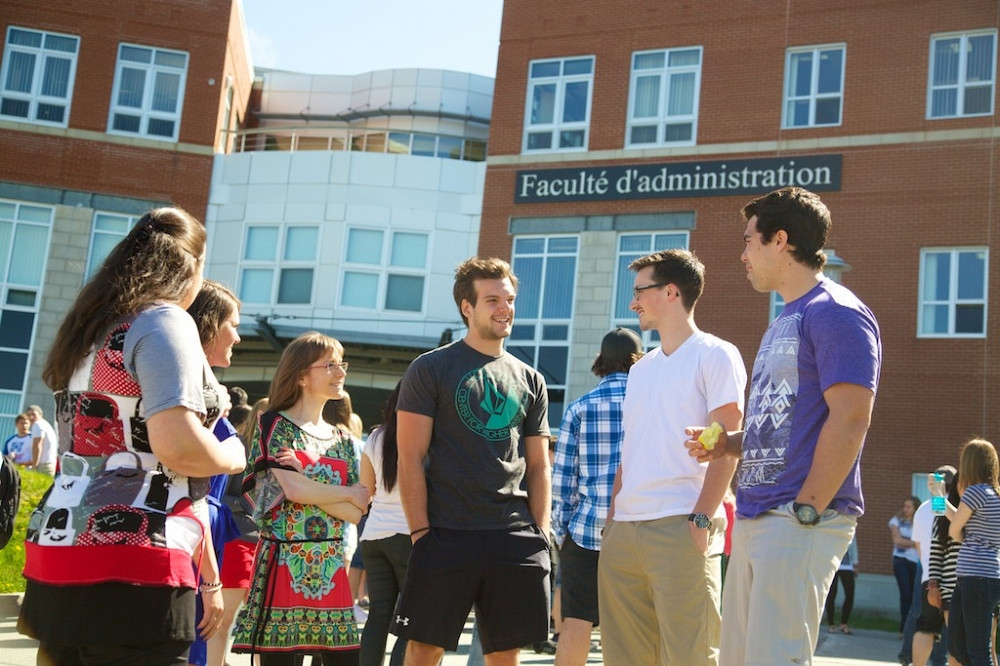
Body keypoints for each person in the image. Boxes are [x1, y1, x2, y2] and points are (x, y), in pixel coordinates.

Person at [17, 207, 247, 664]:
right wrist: (232, 453)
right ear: (192, 265)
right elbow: (178, 447)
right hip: (137, 553)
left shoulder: (89, 328)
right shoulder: (163, 320)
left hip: (59, 545)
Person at [686, 186, 882, 666]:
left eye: (749, 241)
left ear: (780, 240)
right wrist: (728, 444)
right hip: (757, 515)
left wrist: (807, 509)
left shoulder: (835, 311)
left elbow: (852, 417)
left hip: (797, 519)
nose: (743, 255)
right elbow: (785, 425)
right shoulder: (783, 319)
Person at [391, 257, 551, 665]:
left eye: (509, 299)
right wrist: (421, 533)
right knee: (424, 650)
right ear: (467, 307)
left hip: (513, 535)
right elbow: (409, 457)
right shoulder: (430, 368)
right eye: (493, 300)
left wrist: (541, 534)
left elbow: (538, 466)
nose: (505, 308)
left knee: (505, 654)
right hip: (445, 531)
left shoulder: (531, 379)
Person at [598, 250, 747, 665]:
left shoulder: (715, 354)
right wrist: (612, 522)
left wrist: (701, 519)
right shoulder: (640, 369)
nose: (633, 303)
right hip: (625, 533)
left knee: (690, 658)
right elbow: (630, 451)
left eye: (639, 292)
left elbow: (726, 445)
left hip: (681, 526)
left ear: (670, 292)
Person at [231, 331, 370, 665]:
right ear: (301, 376)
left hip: (331, 566)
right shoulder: (274, 424)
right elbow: (296, 492)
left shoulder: (341, 438)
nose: (341, 372)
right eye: (330, 365)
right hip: (285, 563)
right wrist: (344, 492)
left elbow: (357, 511)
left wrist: (306, 482)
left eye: (342, 364)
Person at [551, 327, 641, 666]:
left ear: (600, 361)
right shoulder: (650, 405)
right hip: (638, 531)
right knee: (631, 629)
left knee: (576, 623)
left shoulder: (579, 408)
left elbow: (562, 484)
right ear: (638, 361)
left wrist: (563, 534)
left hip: (585, 533)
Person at [186, 280, 246, 666]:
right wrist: (211, 580)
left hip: (204, 529)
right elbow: (189, 483)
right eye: (233, 325)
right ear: (208, 324)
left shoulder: (209, 391)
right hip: (191, 532)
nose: (238, 337)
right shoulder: (190, 390)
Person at [358, 384, 409, 666]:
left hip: (374, 534)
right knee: (411, 619)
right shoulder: (426, 435)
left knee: (378, 616)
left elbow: (365, 491)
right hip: (410, 535)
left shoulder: (376, 436)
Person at [945, 438, 1000, 665]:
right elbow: (959, 522)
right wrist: (938, 497)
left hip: (977, 578)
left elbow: (954, 529)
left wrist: (963, 535)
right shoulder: (993, 494)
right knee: (957, 644)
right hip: (978, 578)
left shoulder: (975, 492)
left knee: (977, 651)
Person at [325, 393, 369, 621]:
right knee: (335, 599)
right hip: (344, 525)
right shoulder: (357, 445)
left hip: (306, 527)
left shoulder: (310, 438)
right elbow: (366, 491)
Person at [911, 466, 957, 666]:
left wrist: (929, 569)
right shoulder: (955, 508)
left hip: (928, 577)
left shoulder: (922, 508)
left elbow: (918, 545)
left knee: (925, 628)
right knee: (956, 633)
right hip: (952, 579)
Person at [891, 496, 922, 635]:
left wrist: (909, 543)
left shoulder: (919, 522)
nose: (905, 509)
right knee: (905, 594)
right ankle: (903, 628)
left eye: (909, 507)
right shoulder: (896, 520)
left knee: (914, 595)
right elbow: (897, 540)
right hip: (900, 560)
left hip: (915, 561)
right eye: (904, 506)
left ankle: (911, 627)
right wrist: (915, 544)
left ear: (915, 508)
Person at [825, 536, 858, 635]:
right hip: (832, 565)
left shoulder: (850, 528)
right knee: (832, 594)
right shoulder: (831, 528)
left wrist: (855, 563)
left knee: (850, 594)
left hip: (847, 565)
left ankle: (844, 624)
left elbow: (853, 545)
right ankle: (831, 624)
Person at [26, 405, 57, 476]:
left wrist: (34, 466)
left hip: (42, 465)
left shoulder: (38, 425)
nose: (31, 417)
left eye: (33, 414)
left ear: (40, 415)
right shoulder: (45, 424)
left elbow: (37, 445)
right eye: (28, 415)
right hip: (49, 464)